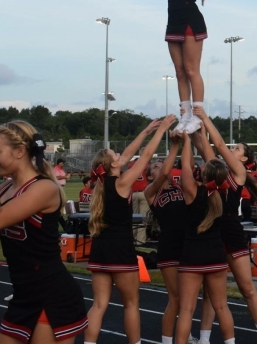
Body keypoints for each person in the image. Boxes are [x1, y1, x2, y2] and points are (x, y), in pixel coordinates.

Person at [0, 121, 88, 343]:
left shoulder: (43, 188)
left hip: (51, 295)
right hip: (24, 294)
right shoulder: (5, 189)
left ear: (20, 151)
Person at [85, 117, 174, 344]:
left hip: (100, 249)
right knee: (131, 304)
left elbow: (128, 154)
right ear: (113, 165)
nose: (121, 156)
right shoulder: (122, 183)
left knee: (98, 304)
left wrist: (145, 131)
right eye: (116, 155)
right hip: (120, 250)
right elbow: (144, 158)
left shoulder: (103, 185)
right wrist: (162, 130)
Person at [192, 109, 257, 344]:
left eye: (237, 149)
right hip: (213, 231)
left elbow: (216, 144)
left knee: (247, 288)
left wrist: (206, 117)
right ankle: (204, 339)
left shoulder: (237, 173)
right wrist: (190, 128)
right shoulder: (217, 170)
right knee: (210, 293)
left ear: (245, 160)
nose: (232, 149)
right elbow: (204, 146)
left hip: (231, 230)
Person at [166, 0, 234, 134]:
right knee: (179, 71)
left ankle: (197, 115)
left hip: (190, 18)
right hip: (173, 19)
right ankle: (185, 115)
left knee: (191, 69)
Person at [174, 129, 236, 344]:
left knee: (187, 309)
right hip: (216, 254)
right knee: (221, 306)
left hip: (192, 255)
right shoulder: (225, 193)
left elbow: (185, 165)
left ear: (205, 174)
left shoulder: (193, 190)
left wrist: (186, 140)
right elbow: (214, 165)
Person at [144, 136, 193, 344]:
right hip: (169, 247)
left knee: (187, 300)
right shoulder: (150, 193)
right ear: (149, 176)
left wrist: (188, 139)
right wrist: (175, 145)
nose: (161, 166)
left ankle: (186, 335)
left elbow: (187, 165)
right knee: (175, 298)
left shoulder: (180, 187)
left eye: (161, 163)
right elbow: (166, 172)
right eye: (155, 166)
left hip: (189, 245)